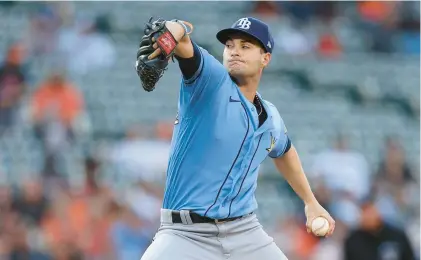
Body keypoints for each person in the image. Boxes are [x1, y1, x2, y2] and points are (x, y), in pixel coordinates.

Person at [139, 17, 335, 260]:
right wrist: (173, 30)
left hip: (244, 232)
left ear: (266, 58)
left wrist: (310, 201)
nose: (234, 52)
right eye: (229, 45)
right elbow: (180, 40)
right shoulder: (211, 82)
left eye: (245, 46)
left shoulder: (271, 116)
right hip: (185, 234)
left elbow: (285, 151)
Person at [344, 197, 415, 260]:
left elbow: (409, 257)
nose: (368, 216)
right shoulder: (353, 241)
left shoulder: (397, 235)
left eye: (370, 210)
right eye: (364, 211)